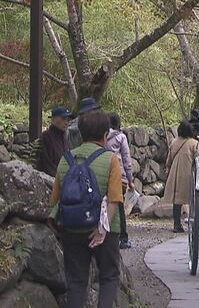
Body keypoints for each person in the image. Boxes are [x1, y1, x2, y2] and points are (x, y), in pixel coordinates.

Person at [49, 110, 123, 308]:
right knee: (109, 276)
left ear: (80, 134)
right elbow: (115, 199)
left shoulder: (66, 159)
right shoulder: (111, 160)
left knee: (76, 281)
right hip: (103, 232)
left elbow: (55, 199)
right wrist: (102, 229)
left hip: (71, 228)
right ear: (106, 135)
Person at [163, 120, 199, 233]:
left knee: (177, 201)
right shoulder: (194, 143)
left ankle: (176, 224)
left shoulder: (174, 142)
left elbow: (168, 160)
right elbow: (197, 159)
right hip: (189, 173)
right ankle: (194, 221)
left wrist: (168, 168)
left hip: (175, 173)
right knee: (192, 198)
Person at [105, 112, 135, 249]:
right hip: (118, 176)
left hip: (103, 173)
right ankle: (123, 238)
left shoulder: (102, 136)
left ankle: (105, 234)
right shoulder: (121, 137)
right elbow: (127, 160)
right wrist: (130, 180)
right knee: (119, 205)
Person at [37, 107, 72, 177]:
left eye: (68, 120)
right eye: (63, 119)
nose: (66, 123)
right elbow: (46, 165)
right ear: (53, 120)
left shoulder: (64, 137)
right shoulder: (46, 137)